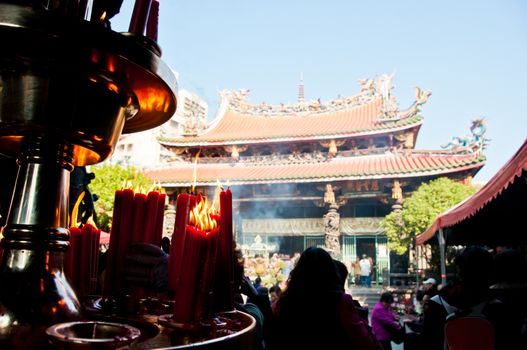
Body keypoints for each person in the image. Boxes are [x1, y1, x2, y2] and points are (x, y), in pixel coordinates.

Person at [270, 247, 382, 350]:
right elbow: (365, 341)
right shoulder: (341, 301)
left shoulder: (284, 301)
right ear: (331, 272)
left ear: (298, 272)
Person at [421, 246, 516, 350]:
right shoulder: (498, 307)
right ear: (490, 272)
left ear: (459, 270)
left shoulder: (437, 303)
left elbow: (427, 343)